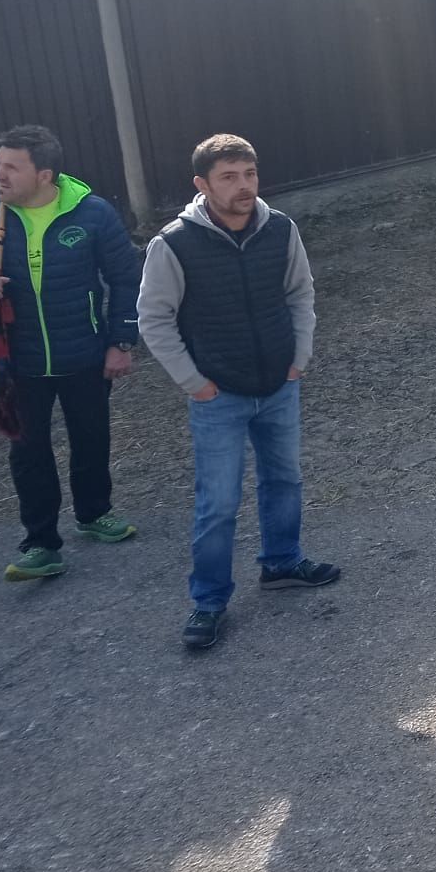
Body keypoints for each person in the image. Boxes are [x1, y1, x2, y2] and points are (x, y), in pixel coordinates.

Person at [138, 134, 337, 652]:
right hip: (217, 395)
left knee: (284, 480)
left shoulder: (280, 229)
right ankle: (208, 601)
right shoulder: (174, 244)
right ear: (202, 185)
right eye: (229, 177)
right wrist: (194, 383)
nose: (243, 186)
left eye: (249, 174)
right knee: (219, 503)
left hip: (278, 385)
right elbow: (154, 319)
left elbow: (300, 293)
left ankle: (282, 563)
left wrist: (299, 358)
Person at [0, 125, 141, 582]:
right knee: (28, 451)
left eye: (11, 167)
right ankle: (41, 543)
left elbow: (126, 277)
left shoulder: (92, 213)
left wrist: (121, 341)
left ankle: (94, 513)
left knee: (91, 437)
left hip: (85, 353)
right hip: (17, 361)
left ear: (44, 175)